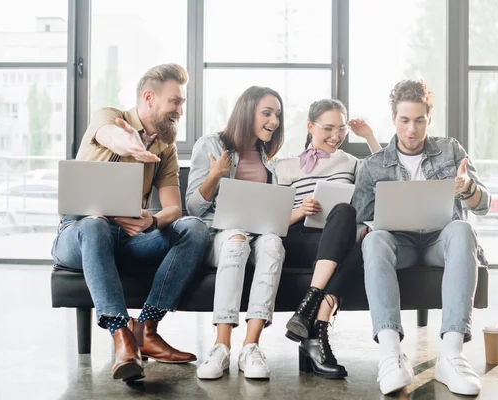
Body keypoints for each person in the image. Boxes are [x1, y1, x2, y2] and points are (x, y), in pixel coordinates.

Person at [51, 63, 211, 382]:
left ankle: (146, 329)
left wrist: (151, 219)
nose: (181, 109)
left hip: (127, 238)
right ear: (149, 97)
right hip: (78, 234)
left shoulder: (165, 148)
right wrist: (131, 146)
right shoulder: (109, 117)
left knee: (194, 228)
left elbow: (173, 210)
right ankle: (120, 333)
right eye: (175, 101)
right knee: (95, 224)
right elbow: (112, 136)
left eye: (182, 102)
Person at [352, 79, 490, 396]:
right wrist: (372, 227)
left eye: (419, 120)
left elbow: (483, 206)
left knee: (463, 228)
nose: (411, 129)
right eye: (404, 120)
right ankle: (390, 354)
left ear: (429, 118)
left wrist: (467, 189)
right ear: (394, 120)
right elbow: (357, 222)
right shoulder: (374, 165)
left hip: (438, 244)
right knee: (374, 240)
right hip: (400, 246)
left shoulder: (451, 150)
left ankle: (452, 355)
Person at [274, 99, 381, 379]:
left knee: (354, 222)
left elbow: (385, 172)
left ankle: (311, 318)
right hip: (300, 239)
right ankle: (317, 321)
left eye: (342, 129)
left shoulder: (351, 163)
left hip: (339, 237)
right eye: (328, 128)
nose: (336, 136)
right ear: (310, 127)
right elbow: (272, 220)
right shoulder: (284, 165)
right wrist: (299, 211)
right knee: (348, 227)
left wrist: (368, 136)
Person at [186, 86, 285, 380]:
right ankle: (221, 346)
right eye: (267, 113)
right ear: (247, 112)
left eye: (277, 115)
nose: (274, 121)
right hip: (221, 233)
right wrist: (216, 173)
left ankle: (251, 347)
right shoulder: (210, 145)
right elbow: (193, 206)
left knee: (273, 246)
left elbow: (268, 205)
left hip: (260, 232)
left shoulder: (268, 156)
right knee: (236, 241)